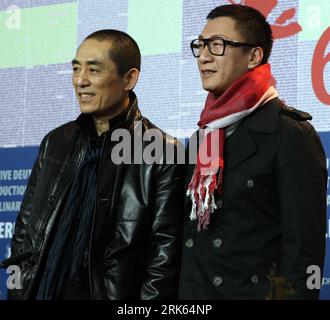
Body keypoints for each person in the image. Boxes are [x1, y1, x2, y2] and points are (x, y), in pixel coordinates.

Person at [5, 29, 184, 300]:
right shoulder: (55, 141)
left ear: (129, 79)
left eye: (94, 70)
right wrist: (16, 292)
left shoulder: (161, 151)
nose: (80, 81)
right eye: (76, 69)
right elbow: (24, 234)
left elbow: (163, 258)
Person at [179, 4, 327, 300]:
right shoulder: (204, 135)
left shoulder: (290, 134)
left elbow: (303, 254)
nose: (204, 56)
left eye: (217, 45)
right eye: (201, 45)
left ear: (254, 56)